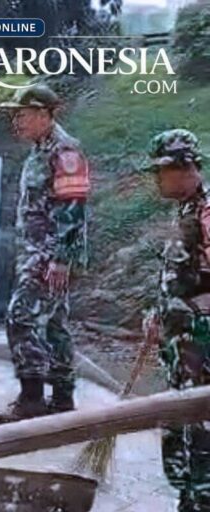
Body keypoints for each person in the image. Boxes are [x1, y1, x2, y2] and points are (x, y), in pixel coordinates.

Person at [0, 84, 90, 424]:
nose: (16, 122)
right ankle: (63, 399)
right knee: (54, 325)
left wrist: (61, 257)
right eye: (15, 115)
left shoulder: (64, 151)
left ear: (45, 114)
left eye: (23, 115)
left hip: (50, 255)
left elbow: (73, 206)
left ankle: (31, 398)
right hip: (39, 252)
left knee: (21, 318)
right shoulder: (41, 149)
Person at [143, 129, 210, 511]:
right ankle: (189, 497)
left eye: (163, 171)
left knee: (200, 433)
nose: (158, 179)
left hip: (202, 351)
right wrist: (159, 313)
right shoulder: (184, 212)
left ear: (185, 168)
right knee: (179, 431)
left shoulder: (206, 213)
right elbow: (179, 277)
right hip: (181, 351)